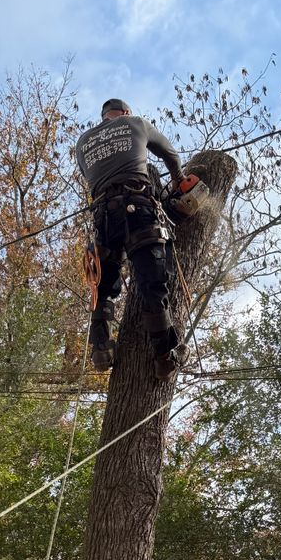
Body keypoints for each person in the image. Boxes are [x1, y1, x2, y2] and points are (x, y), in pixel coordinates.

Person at [75, 99, 185, 378]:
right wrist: (177, 180)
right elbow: (170, 154)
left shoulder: (83, 142)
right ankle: (164, 355)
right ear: (125, 113)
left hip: (103, 218)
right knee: (153, 280)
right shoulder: (136, 123)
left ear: (103, 117)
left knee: (103, 286)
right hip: (139, 209)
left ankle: (101, 348)